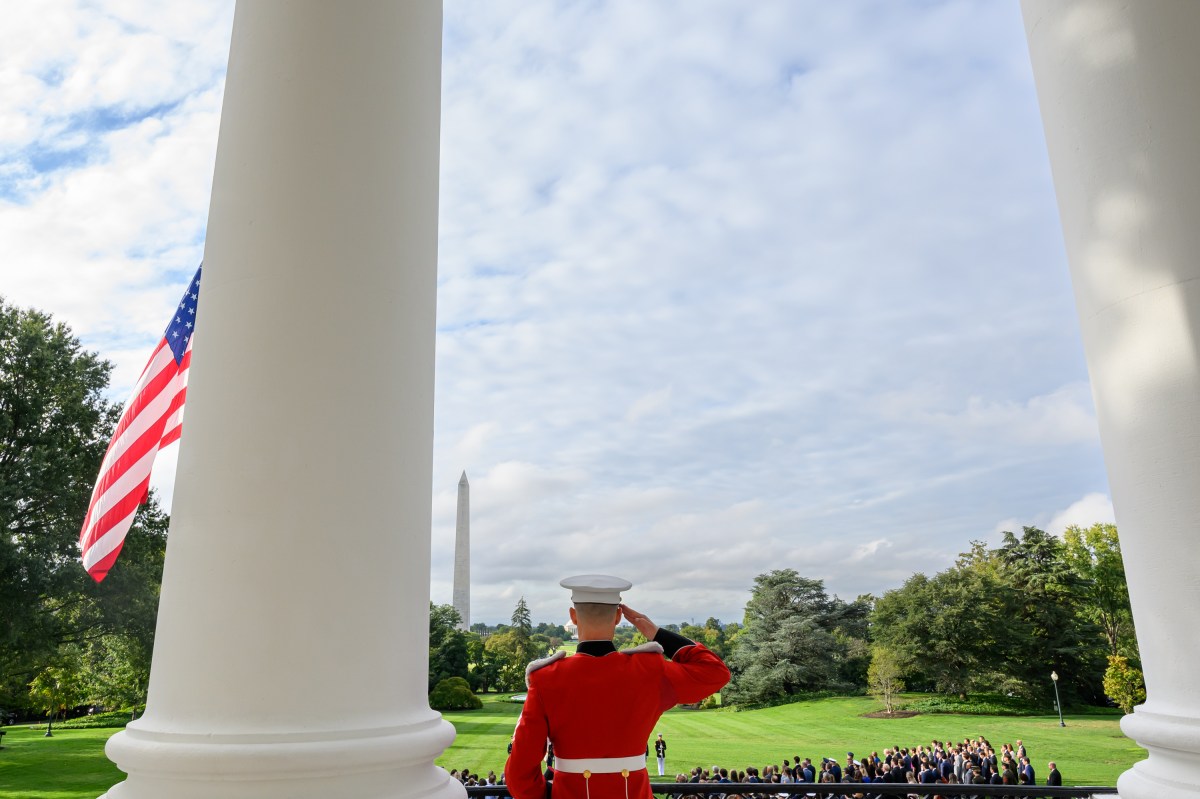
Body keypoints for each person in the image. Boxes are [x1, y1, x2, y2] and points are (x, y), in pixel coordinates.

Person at [504, 574, 731, 799]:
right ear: (619, 616)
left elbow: (520, 773)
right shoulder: (649, 670)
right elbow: (715, 672)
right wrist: (657, 634)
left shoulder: (546, 678)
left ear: (573, 616)